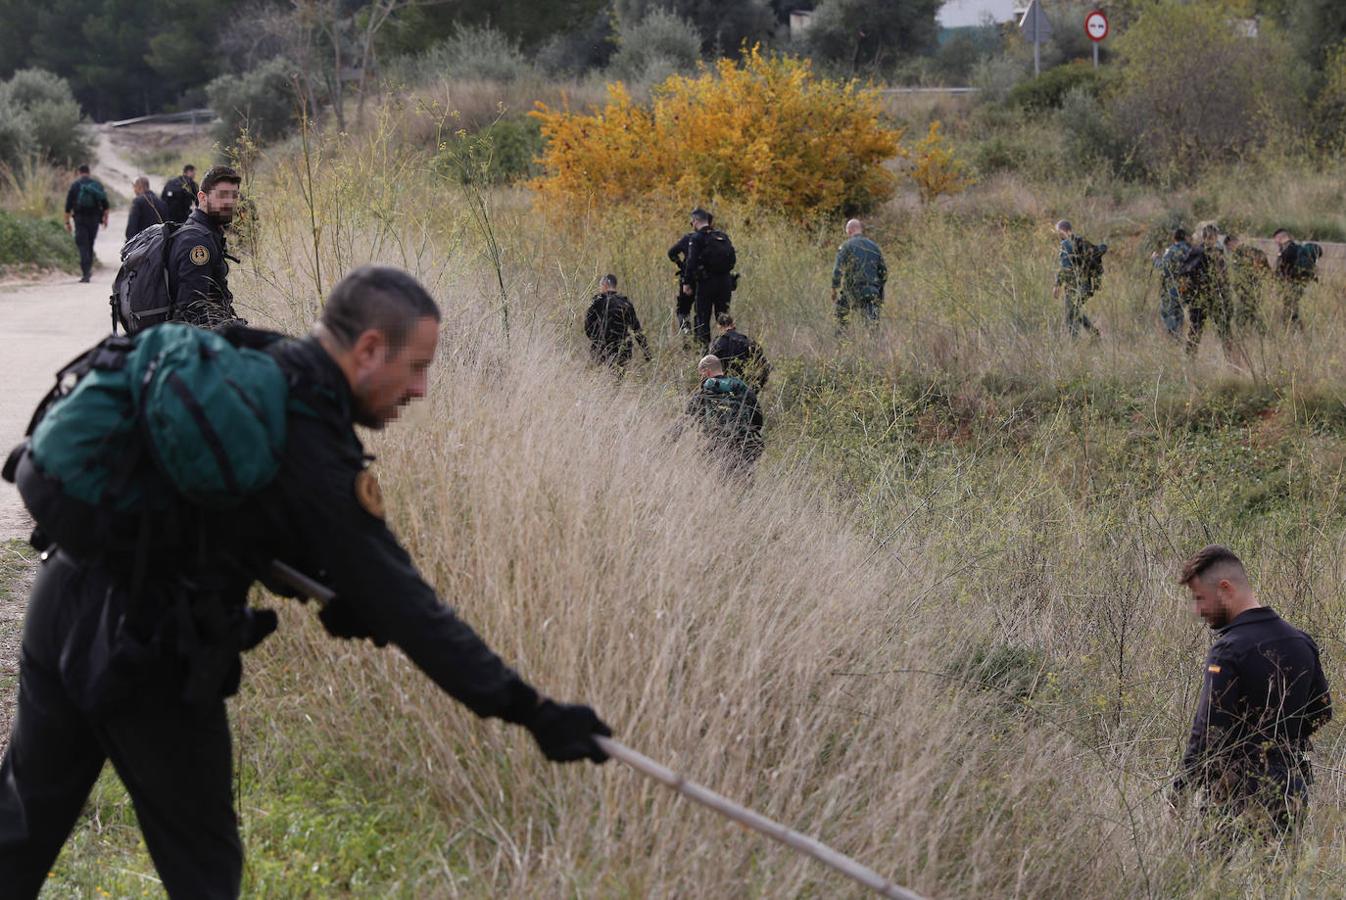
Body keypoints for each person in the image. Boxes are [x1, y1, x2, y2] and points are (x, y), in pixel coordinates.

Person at [0, 266, 612, 897]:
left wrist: (336, 591)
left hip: (62, 597)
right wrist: (528, 709)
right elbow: (409, 607)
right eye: (417, 366)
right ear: (370, 349)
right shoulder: (312, 440)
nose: (421, 389)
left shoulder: (257, 362)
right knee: (203, 868)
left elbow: (221, 518)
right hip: (145, 648)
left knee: (20, 825)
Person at [1172, 545, 1331, 838]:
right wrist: (1284, 747)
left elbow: (1209, 729)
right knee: (1280, 880)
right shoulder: (1301, 642)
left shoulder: (1228, 650)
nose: (1198, 610)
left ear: (1224, 588)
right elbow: (1321, 712)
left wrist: (1181, 789)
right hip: (1289, 791)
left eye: (1200, 599)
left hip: (1232, 792)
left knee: (1207, 877)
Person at [168, 165, 243, 329]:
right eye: (223, 195)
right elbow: (192, 311)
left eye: (234, 196)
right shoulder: (197, 242)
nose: (230, 202)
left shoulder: (207, 232)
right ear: (202, 197)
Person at [684, 354, 764, 475]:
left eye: (701, 373)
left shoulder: (703, 393)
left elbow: (687, 420)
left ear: (707, 372)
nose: (700, 377)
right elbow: (758, 420)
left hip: (715, 446)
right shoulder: (741, 387)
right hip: (742, 447)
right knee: (744, 482)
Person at [680, 208, 737, 349]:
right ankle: (728, 349)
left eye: (692, 222)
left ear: (696, 221)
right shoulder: (722, 236)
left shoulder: (696, 238)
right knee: (723, 318)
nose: (691, 224)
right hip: (725, 283)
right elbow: (733, 259)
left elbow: (691, 262)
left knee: (702, 319)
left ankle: (705, 354)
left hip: (706, 283)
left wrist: (686, 282)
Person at [1179, 224, 1232, 357]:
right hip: (1209, 297)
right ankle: (1232, 360)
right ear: (1213, 237)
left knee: (1198, 329)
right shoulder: (1207, 253)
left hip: (1202, 298)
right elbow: (1223, 279)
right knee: (1221, 330)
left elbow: (1184, 274)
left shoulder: (1197, 252)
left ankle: (1190, 358)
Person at [583, 273, 650, 368]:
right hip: (622, 350)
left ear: (605, 285)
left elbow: (588, 327)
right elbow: (637, 330)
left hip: (601, 349)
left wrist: (596, 340)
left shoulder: (596, 302)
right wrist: (646, 352)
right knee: (619, 379)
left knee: (601, 378)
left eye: (600, 286)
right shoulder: (625, 303)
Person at [831, 218, 887, 329]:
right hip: (872, 292)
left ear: (849, 231)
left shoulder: (846, 246)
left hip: (852, 291)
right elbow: (883, 273)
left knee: (840, 319)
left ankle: (842, 343)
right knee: (872, 327)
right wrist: (878, 291)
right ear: (860, 230)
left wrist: (834, 289)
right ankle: (873, 345)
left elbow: (837, 270)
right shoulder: (874, 247)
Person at [1051, 220, 1101, 339]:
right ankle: (1094, 334)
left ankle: (1076, 342)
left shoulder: (1066, 244)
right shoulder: (1080, 242)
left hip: (1074, 286)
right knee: (1074, 311)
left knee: (1070, 315)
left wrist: (1057, 284)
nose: (1058, 235)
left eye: (1059, 232)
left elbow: (1065, 268)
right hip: (1086, 286)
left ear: (1066, 231)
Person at [63, 164, 109, 283]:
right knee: (90, 244)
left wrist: (67, 222)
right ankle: (88, 269)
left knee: (82, 245)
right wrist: (105, 219)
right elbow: (105, 204)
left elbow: (68, 206)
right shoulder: (96, 185)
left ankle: (86, 273)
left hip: (80, 219)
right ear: (89, 172)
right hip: (94, 219)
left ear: (79, 172)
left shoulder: (75, 185)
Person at [1224, 233, 1270, 340]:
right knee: (1253, 313)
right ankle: (1262, 335)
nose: (1229, 249)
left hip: (1247, 290)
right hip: (1252, 288)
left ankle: (1242, 338)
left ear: (1232, 243)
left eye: (1229, 247)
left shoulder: (1241, 253)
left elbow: (1240, 274)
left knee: (1243, 315)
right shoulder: (1251, 251)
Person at [709, 313, 770, 391]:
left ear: (719, 326)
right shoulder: (748, 342)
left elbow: (709, 366)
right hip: (745, 386)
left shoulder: (716, 343)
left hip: (724, 387)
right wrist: (756, 388)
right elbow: (765, 366)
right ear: (733, 324)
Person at [667, 214, 705, 337]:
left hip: (687, 280)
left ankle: (686, 331)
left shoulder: (687, 238)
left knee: (683, 310)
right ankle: (698, 337)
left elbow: (671, 253)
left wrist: (681, 265)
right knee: (700, 311)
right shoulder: (709, 238)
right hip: (704, 280)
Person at [1272, 228, 1317, 328]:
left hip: (1291, 284)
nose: (1275, 242)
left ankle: (1295, 330)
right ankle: (1296, 330)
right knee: (1292, 308)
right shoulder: (1295, 248)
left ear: (1279, 237)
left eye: (1275, 239)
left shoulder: (1288, 250)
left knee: (1290, 309)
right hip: (1297, 284)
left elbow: (1283, 269)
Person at [1151, 228, 1191, 338]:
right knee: (1179, 312)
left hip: (1171, 288)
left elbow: (1164, 268)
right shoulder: (1189, 250)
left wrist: (1155, 259)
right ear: (1185, 237)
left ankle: (1174, 337)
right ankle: (1179, 335)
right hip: (1185, 287)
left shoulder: (1172, 250)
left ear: (1174, 238)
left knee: (1167, 312)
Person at [125, 176, 168, 241]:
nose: (134, 190)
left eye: (134, 187)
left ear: (139, 187)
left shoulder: (137, 201)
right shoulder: (161, 202)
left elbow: (132, 227)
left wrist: (129, 243)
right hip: (158, 243)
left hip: (142, 243)